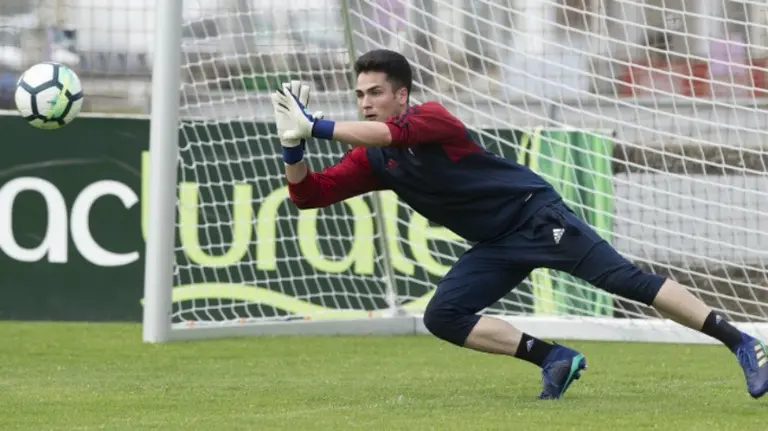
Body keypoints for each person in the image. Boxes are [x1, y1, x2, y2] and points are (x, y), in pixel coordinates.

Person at [270, 49, 768, 400]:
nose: (365, 102)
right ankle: (553, 358)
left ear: (402, 95)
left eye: (375, 92)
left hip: (535, 216)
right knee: (443, 316)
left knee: (626, 282)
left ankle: (742, 342)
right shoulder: (372, 158)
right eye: (359, 95)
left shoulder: (432, 118)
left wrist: (315, 125)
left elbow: (389, 133)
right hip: (495, 243)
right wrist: (294, 145)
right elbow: (308, 195)